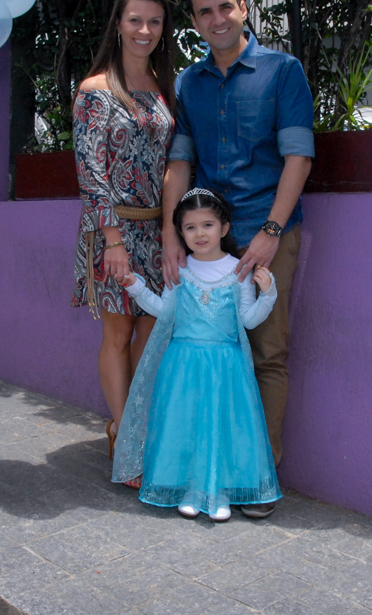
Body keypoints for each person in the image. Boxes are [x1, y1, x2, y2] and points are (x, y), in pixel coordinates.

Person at [161, 0, 314, 519]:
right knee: (208, 355)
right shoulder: (189, 84)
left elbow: (298, 155)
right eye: (204, 12)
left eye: (224, 7)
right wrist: (168, 233)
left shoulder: (282, 71)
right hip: (203, 239)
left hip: (266, 229)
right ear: (196, 22)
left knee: (267, 354)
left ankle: (257, 477)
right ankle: (208, 473)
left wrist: (271, 232)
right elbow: (179, 161)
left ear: (244, 8)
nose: (216, 19)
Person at [112, 189, 280, 521]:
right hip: (182, 363)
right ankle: (189, 488)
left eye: (207, 225)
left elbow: (247, 321)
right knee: (184, 423)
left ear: (225, 228)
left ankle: (217, 491)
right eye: (190, 227)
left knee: (219, 423)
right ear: (181, 233)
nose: (200, 234)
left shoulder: (239, 270)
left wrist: (269, 293)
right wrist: (135, 285)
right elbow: (164, 312)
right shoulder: (181, 270)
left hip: (225, 365)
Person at [70, 0, 176, 465]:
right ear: (118, 23)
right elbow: (91, 173)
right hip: (112, 231)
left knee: (153, 330)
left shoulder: (163, 85)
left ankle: (132, 421)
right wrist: (113, 240)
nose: (145, 30)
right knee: (117, 334)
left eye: (154, 21)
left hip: (157, 232)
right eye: (135, 19)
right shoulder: (95, 91)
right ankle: (122, 433)